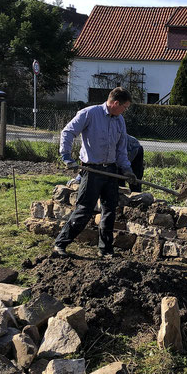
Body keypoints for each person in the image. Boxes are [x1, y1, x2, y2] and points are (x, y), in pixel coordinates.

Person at [53, 87, 135, 258]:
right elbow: (68, 132)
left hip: (111, 170)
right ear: (115, 103)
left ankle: (105, 250)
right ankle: (60, 244)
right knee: (84, 209)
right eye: (124, 107)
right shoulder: (90, 113)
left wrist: (127, 170)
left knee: (109, 210)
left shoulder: (119, 120)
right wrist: (67, 156)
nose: (124, 111)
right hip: (92, 170)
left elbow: (121, 150)